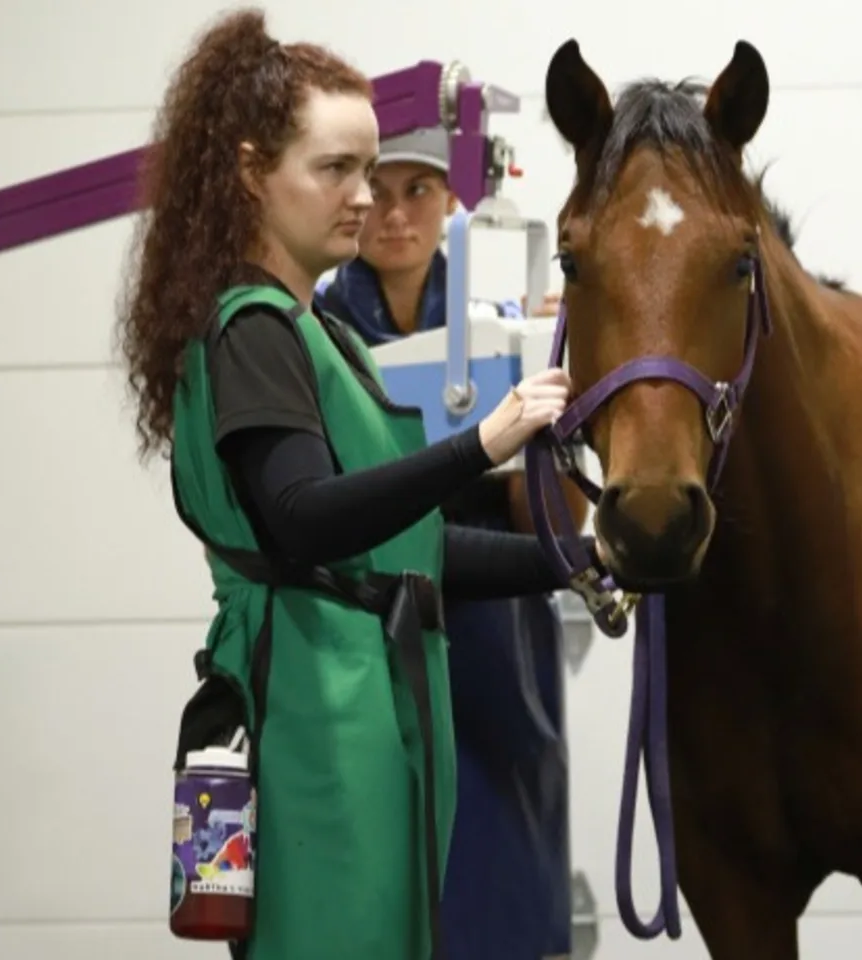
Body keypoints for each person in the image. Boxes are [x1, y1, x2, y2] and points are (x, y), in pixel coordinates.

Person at [113, 9, 584, 959]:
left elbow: (403, 548)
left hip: (360, 706)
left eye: (368, 170)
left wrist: (578, 557)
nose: (365, 198)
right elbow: (305, 521)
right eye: (336, 170)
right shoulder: (253, 332)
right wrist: (476, 447)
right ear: (252, 173)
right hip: (315, 723)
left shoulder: (315, 334)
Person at [316, 126, 581, 959]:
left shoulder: (498, 330)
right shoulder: (312, 332)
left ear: (455, 204)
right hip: (362, 616)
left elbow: (551, 521)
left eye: (419, 192)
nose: (395, 214)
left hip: (493, 635)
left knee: (504, 839)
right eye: (379, 190)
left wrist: (551, 421)